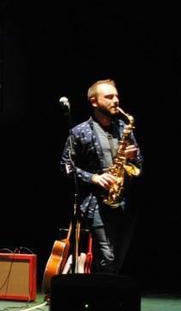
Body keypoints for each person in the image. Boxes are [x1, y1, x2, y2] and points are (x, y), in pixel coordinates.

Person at [60, 79, 142, 274]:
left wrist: (134, 157)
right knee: (107, 257)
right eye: (109, 97)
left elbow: (139, 165)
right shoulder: (79, 132)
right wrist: (94, 178)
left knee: (119, 257)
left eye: (116, 96)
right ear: (94, 102)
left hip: (125, 201)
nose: (116, 100)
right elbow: (65, 166)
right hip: (97, 203)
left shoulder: (124, 128)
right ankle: (106, 299)